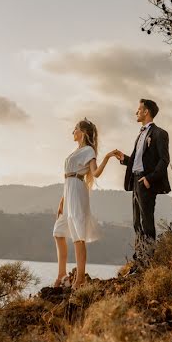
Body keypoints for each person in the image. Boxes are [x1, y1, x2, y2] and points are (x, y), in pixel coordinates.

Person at [52, 118, 119, 289]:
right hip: (69, 192)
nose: (72, 132)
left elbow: (95, 173)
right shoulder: (76, 151)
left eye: (75, 129)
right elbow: (67, 177)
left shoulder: (88, 150)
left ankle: (80, 278)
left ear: (83, 132)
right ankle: (62, 273)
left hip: (78, 192)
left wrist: (107, 157)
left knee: (78, 235)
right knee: (58, 232)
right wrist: (62, 201)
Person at [111, 98, 170, 269]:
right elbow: (139, 161)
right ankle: (139, 261)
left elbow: (164, 160)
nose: (136, 112)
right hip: (135, 180)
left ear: (146, 112)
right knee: (137, 222)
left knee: (147, 221)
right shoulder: (140, 134)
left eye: (138, 110)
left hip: (146, 182)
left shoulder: (160, 133)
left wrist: (149, 179)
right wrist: (124, 159)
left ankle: (148, 261)